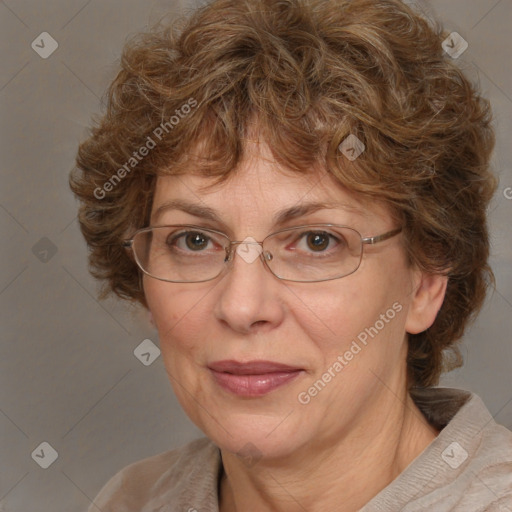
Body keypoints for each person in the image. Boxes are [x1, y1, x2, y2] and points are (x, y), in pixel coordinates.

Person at [69, 0, 512, 510]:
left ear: (426, 280)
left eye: (316, 241)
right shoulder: (130, 501)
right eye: (195, 241)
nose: (241, 306)